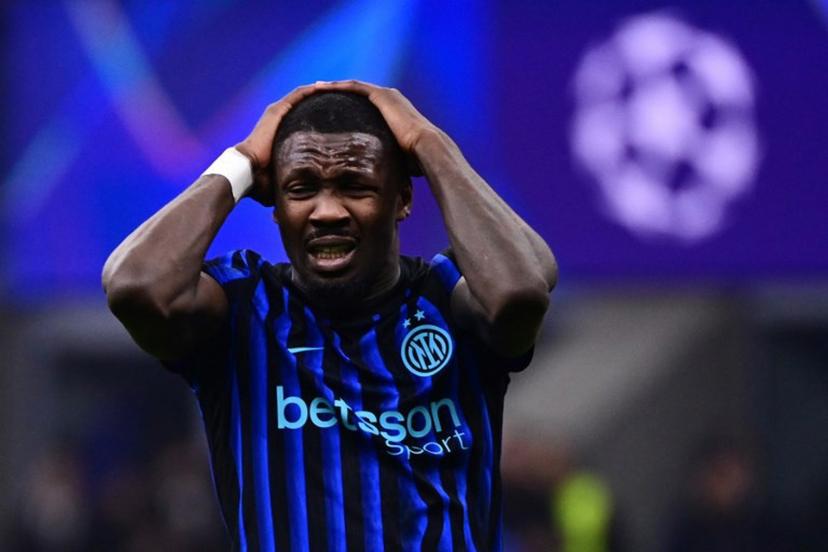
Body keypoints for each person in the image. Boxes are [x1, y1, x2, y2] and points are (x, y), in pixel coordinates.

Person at [102, 79, 557, 551]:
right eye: (301, 189)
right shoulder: (244, 309)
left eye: (354, 186)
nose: (327, 211)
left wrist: (431, 145)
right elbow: (137, 287)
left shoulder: (447, 299)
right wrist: (240, 163)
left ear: (402, 199)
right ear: (276, 207)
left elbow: (519, 292)